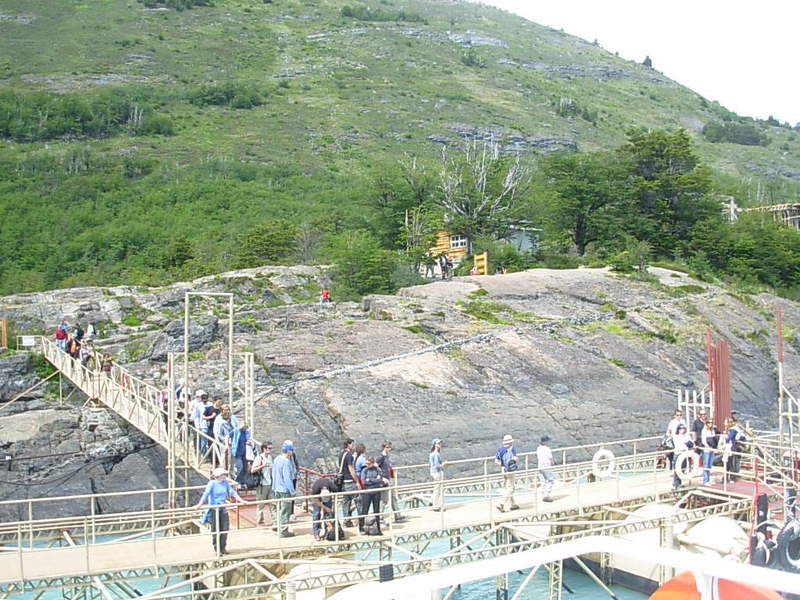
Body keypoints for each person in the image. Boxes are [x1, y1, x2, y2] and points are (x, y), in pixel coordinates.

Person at [195, 467, 244, 555]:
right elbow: (206, 494)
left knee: (224, 528)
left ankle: (223, 547)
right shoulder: (212, 483)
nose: (224, 476)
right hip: (214, 509)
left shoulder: (225, 483)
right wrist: (199, 504)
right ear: (218, 476)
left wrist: (241, 500)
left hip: (223, 508)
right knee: (216, 529)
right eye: (223, 475)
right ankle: (217, 549)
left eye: (224, 475)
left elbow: (232, 492)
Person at [271, 441, 297, 537]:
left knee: (279, 509)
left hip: (276, 489)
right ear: (288, 451)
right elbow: (287, 478)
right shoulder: (286, 462)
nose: (293, 452)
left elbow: (273, 474)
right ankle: (283, 531)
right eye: (292, 450)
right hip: (285, 490)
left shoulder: (277, 459)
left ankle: (278, 526)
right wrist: (292, 491)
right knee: (285, 511)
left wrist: (274, 487)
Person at [376, 440, 406, 523]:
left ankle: (397, 515)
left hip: (389, 479)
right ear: (384, 447)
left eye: (390, 447)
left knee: (393, 497)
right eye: (387, 447)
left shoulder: (387, 456)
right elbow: (375, 467)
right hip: (384, 481)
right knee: (384, 499)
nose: (389, 449)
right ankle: (380, 516)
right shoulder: (381, 457)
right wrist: (381, 477)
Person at [359, 456, 387, 535]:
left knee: (376, 510)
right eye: (367, 463)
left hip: (376, 491)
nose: (367, 465)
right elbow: (364, 482)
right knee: (365, 510)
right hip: (367, 492)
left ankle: (378, 528)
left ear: (373, 463)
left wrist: (370, 480)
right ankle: (361, 527)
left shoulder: (378, 469)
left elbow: (379, 480)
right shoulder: (364, 470)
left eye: (369, 464)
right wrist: (374, 480)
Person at [250, 442, 273, 526]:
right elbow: (252, 470)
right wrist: (262, 466)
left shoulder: (270, 457)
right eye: (269, 448)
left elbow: (271, 469)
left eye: (271, 448)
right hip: (262, 484)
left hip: (269, 483)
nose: (270, 450)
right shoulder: (259, 458)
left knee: (273, 503)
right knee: (261, 504)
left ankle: (275, 520)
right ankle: (260, 521)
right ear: (264, 449)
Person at [495, 434, 519, 512]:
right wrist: (514, 461)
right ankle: (501, 504)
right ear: (510, 442)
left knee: (508, 487)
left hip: (503, 470)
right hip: (510, 471)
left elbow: (496, 461)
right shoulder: (512, 449)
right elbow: (515, 459)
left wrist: (503, 465)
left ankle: (513, 504)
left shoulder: (500, 450)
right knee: (510, 488)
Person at [337, 439, 358, 527]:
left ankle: (346, 520)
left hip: (343, 483)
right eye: (352, 444)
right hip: (350, 482)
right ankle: (361, 520)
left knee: (346, 502)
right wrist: (357, 481)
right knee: (358, 501)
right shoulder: (349, 455)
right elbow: (351, 469)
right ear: (349, 445)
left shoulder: (341, 454)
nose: (353, 446)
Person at [213, 404, 240, 471]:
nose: (227, 411)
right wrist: (219, 440)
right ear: (222, 411)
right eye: (225, 410)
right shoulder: (219, 419)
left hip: (233, 441)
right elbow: (217, 431)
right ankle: (224, 471)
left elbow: (237, 426)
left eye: (228, 410)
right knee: (224, 457)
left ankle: (231, 471)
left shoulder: (233, 417)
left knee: (232, 457)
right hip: (224, 441)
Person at [311, 477, 339, 541]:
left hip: (327, 496)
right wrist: (325, 508)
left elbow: (336, 495)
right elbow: (316, 501)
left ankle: (328, 532)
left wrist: (334, 508)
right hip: (316, 497)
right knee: (316, 514)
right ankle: (316, 534)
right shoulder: (315, 489)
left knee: (328, 514)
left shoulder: (332, 486)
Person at [670, 424, 694, 489]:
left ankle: (679, 483)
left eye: (683, 428)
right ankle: (675, 484)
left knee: (682, 469)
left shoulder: (686, 436)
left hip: (684, 454)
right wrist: (687, 442)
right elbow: (683, 443)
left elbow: (691, 443)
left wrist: (688, 443)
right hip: (678, 454)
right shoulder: (676, 436)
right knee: (677, 469)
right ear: (678, 429)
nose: (682, 429)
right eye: (680, 428)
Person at [700, 418, 721, 485]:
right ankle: (705, 480)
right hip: (707, 450)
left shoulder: (712, 430)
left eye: (711, 422)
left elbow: (714, 439)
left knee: (710, 465)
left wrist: (714, 447)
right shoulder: (704, 430)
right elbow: (704, 441)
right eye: (709, 422)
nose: (710, 424)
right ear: (706, 423)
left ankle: (708, 479)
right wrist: (708, 446)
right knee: (706, 465)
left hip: (712, 449)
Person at [536, 436, 555, 502]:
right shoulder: (547, 449)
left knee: (543, 481)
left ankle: (543, 495)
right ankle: (547, 495)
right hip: (546, 465)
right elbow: (550, 457)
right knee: (550, 480)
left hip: (540, 465)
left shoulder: (538, 448)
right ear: (545, 442)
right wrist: (552, 463)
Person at [429, 438, 446, 511]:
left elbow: (431, 464)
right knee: (438, 490)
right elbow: (437, 465)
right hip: (437, 472)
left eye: (440, 443)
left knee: (436, 488)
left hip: (433, 472)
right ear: (435, 445)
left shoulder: (431, 454)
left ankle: (431, 501)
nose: (440, 445)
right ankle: (436, 506)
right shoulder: (436, 454)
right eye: (438, 443)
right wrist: (443, 464)